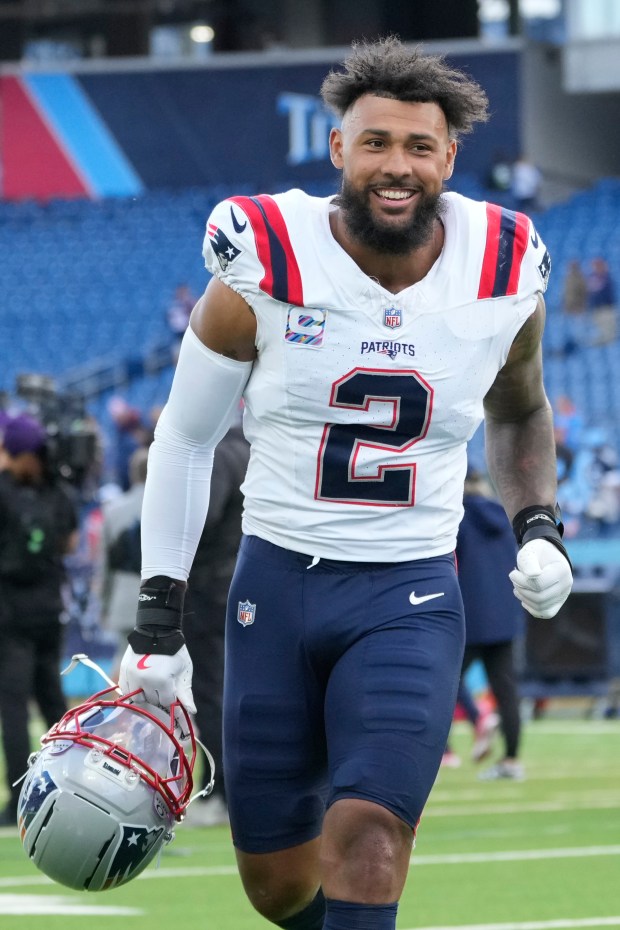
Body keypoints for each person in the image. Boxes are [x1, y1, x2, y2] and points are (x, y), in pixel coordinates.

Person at [119, 37, 573, 930]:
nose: (395, 166)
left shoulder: (504, 263)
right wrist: (157, 620)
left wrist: (541, 526)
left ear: (449, 157)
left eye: (417, 146)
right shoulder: (267, 255)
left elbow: (521, 410)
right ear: (338, 151)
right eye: (375, 143)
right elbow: (185, 436)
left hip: (409, 592)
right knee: (277, 883)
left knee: (369, 837)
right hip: (275, 583)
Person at [0, 413, 79, 825]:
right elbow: (69, 543)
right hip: (50, 607)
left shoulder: (4, 490)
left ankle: (18, 799)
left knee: (13, 705)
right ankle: (67, 788)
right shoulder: (59, 491)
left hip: (10, 610)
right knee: (52, 700)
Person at [182, 418, 250, 827]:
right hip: (243, 582)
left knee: (210, 692)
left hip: (211, 588)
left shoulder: (221, 454)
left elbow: (199, 519)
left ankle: (219, 789)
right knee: (235, 690)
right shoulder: (251, 448)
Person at [456, 469, 525, 780]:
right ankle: (511, 761)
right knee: (506, 690)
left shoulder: (459, 516)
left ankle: (474, 722)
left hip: (469, 615)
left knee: (444, 681)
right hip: (504, 615)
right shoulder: (503, 514)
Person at [99, 446, 149, 676]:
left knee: (122, 658)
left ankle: (120, 711)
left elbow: (106, 565)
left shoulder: (113, 511)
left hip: (124, 594)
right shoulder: (170, 507)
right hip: (164, 597)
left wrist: (104, 604)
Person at [586, 256, 617, 346]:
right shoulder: (592, 277)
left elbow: (605, 292)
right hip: (596, 310)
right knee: (599, 333)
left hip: (607, 309)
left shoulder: (607, 277)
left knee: (609, 334)